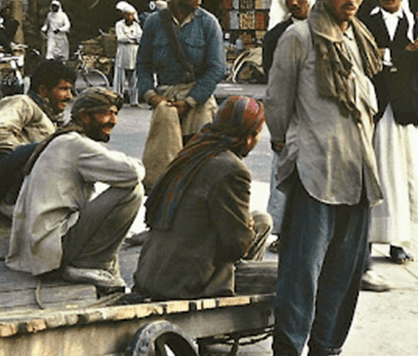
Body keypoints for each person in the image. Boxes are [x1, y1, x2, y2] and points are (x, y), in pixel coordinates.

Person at [265, 0, 383, 356]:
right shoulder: (298, 38)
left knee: (344, 278)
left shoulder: (359, 38)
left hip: (357, 174)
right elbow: (277, 107)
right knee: (301, 278)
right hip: (315, 173)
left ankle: (326, 350)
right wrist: (290, 149)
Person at [134, 96, 272, 300]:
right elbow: (237, 245)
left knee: (262, 221)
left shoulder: (195, 150)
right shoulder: (232, 170)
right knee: (291, 276)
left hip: (153, 272)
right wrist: (245, 228)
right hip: (189, 282)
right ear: (250, 136)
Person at [7, 88, 144, 290]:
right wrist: (140, 165)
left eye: (115, 114)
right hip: (51, 250)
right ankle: (89, 263)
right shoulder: (74, 143)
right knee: (133, 190)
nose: (113, 121)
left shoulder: (63, 140)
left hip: (40, 249)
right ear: (84, 116)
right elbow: (132, 172)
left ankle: (91, 262)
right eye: (106, 113)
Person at [363, 0, 418, 268]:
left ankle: (398, 240)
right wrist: (404, 56)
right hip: (374, 111)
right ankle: (364, 240)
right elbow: (364, 63)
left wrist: (388, 57)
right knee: (372, 173)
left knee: (403, 175)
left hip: (403, 111)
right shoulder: (365, 22)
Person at [137, 0, 226, 166]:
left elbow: (217, 68)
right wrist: (152, 97)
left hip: (198, 101)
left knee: (200, 162)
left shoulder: (208, 23)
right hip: (166, 101)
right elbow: (143, 65)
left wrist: (189, 102)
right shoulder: (153, 23)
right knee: (165, 163)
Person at [261, 0, 316, 256]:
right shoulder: (276, 36)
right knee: (284, 174)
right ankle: (282, 232)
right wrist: (277, 128)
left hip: (317, 116)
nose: (295, 2)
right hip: (289, 115)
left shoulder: (324, 30)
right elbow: (273, 87)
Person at [0, 60, 75, 210]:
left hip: (31, 181)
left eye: (70, 90)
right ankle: (10, 202)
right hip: (8, 177)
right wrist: (32, 155)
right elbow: (1, 130)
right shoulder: (24, 103)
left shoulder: (50, 117)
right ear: (43, 91)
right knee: (43, 148)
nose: (69, 96)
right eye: (63, 89)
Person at [113, 1, 142, 107]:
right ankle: (117, 99)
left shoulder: (136, 26)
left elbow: (140, 38)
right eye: (128, 15)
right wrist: (132, 39)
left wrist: (130, 38)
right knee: (120, 79)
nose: (130, 17)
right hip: (123, 54)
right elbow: (121, 38)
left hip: (134, 54)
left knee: (134, 79)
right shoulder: (119, 25)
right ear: (124, 15)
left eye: (132, 15)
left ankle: (134, 101)